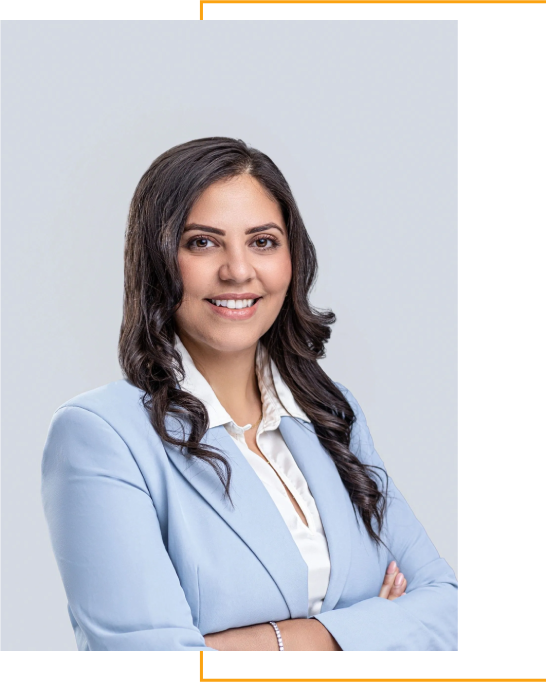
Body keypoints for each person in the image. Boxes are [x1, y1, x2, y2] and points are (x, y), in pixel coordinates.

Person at [41, 137, 458, 654]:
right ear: (156, 259)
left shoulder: (330, 412)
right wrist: (375, 629)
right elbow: (149, 668)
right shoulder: (100, 436)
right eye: (202, 242)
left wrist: (285, 642)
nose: (238, 270)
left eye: (262, 241)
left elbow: (449, 610)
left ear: (291, 257)